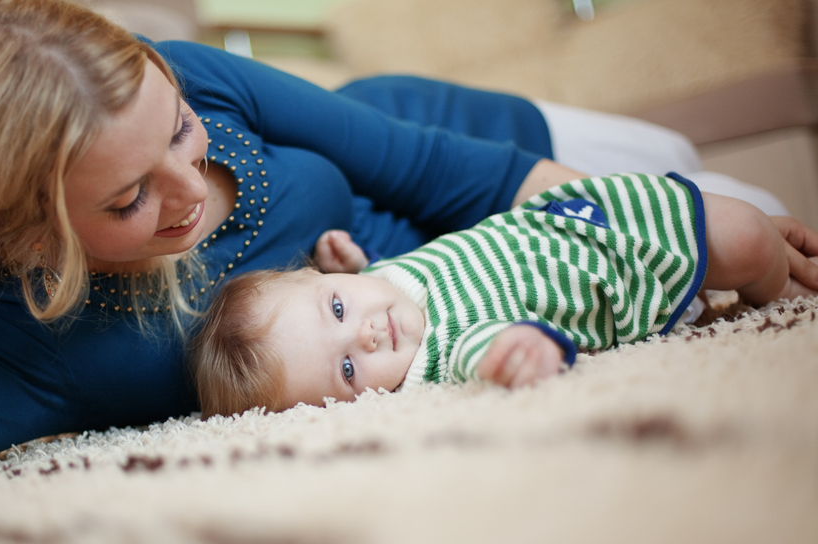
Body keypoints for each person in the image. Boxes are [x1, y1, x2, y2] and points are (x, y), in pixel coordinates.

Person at [0, 0, 816, 500]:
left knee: (712, 188)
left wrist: (636, 218)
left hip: (477, 178)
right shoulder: (16, 333)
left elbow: (435, 168)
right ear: (37, 230)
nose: (185, 193)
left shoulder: (201, 78)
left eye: (177, 134)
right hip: (474, 303)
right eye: (129, 198)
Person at [190, 173, 818, 417]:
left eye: (335, 309)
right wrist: (518, 348)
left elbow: (385, 275)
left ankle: (762, 252)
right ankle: (780, 292)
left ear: (332, 281)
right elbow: (480, 347)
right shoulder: (437, 355)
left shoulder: (380, 284)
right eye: (348, 367)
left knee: (738, 214)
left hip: (583, 214)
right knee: (742, 235)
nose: (367, 332)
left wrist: (355, 262)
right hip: (625, 271)